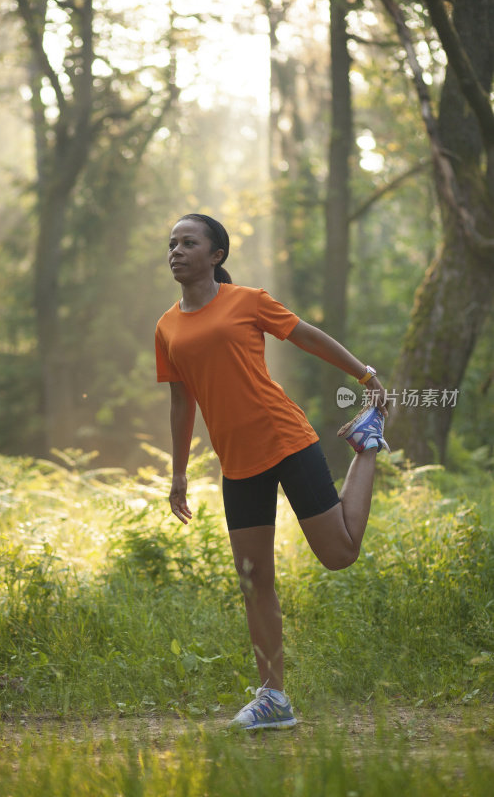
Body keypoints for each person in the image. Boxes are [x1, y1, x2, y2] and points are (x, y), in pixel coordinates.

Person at [155, 213, 389, 731]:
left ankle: (365, 447)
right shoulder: (167, 327)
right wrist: (178, 474)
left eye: (188, 242)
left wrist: (364, 374)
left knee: (339, 554)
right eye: (172, 244)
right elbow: (180, 402)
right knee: (253, 577)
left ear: (216, 255)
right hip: (236, 462)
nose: (176, 251)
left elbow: (307, 336)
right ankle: (273, 697)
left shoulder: (247, 301)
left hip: (285, 440)